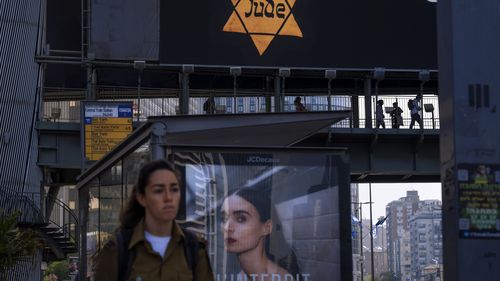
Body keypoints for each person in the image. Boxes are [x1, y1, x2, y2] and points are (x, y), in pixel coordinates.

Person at [94, 160, 214, 281]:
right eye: (159, 190)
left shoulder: (193, 248)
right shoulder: (118, 250)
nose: (168, 197)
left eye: (174, 189)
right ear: (142, 198)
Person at [220, 184, 300, 281]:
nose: (227, 228)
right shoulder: (241, 276)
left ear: (267, 227)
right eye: (224, 219)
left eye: (241, 219)